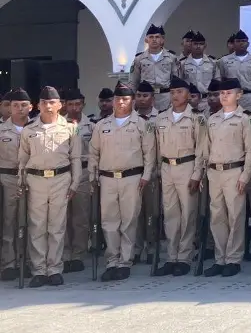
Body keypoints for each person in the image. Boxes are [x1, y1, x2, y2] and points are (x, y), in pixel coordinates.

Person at [89, 82, 157, 282]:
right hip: (107, 178)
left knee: (129, 221)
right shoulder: (102, 125)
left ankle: (125, 261)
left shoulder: (142, 124)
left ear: (132, 101)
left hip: (132, 177)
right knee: (109, 222)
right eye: (118, 99)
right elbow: (93, 153)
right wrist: (93, 176)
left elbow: (149, 153)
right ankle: (112, 261)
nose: (121, 102)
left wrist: (146, 175)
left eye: (125, 99)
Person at [18, 86, 82, 287]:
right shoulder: (29, 129)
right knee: (37, 226)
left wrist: (75, 183)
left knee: (57, 227)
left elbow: (76, 158)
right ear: (38, 105)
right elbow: (23, 159)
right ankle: (39, 270)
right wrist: (21, 181)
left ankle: (54, 269)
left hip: (60, 179)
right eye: (44, 102)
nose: (48, 106)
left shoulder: (71, 128)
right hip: (35, 179)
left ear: (60, 105)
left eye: (52, 102)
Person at [152, 76, 209, 277]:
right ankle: (171, 256)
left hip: (187, 166)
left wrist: (197, 174)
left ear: (188, 94)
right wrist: (158, 171)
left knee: (188, 214)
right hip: (167, 167)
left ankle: (184, 257)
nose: (175, 96)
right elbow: (156, 148)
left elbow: (201, 149)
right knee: (170, 215)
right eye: (172, 92)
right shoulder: (161, 118)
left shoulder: (196, 118)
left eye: (180, 92)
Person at [201, 77, 251, 277]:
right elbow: (205, 149)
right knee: (217, 217)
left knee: (235, 216)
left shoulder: (245, 119)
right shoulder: (212, 120)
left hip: (235, 171)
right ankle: (220, 258)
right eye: (222, 93)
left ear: (238, 95)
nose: (224, 96)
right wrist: (203, 173)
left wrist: (245, 175)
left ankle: (233, 258)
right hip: (215, 172)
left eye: (229, 93)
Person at [0, 89, 30, 281]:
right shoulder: (1, 130)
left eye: (23, 105)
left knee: (29, 221)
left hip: (30, 178)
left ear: (31, 107)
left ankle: (26, 260)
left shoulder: (36, 128)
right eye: (15, 105)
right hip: (7, 178)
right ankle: (9, 263)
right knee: (8, 221)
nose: (20, 109)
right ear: (9, 108)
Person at [60, 89, 92, 272]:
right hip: (65, 173)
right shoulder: (59, 125)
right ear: (65, 105)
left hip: (85, 172)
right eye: (71, 104)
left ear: (83, 104)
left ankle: (78, 254)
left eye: (78, 104)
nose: (74, 108)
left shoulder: (92, 126)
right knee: (62, 217)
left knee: (81, 216)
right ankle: (64, 255)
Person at [130, 24, 180, 112]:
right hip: (145, 98)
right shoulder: (139, 59)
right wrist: (133, 100)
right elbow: (134, 81)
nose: (154, 39)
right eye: (151, 37)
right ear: (146, 40)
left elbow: (176, 80)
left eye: (157, 37)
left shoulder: (171, 57)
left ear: (162, 39)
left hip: (166, 97)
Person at [217, 30, 251, 114]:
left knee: (249, 121)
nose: (241, 43)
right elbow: (222, 80)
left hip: (250, 99)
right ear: (234, 43)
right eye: (238, 41)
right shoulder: (224, 60)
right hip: (231, 98)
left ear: (248, 44)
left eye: (243, 41)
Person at [181, 32, 218, 101]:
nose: (198, 46)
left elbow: (217, 82)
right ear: (191, 45)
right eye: (195, 44)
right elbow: (180, 83)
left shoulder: (212, 62)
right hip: (189, 99)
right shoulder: (183, 63)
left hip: (207, 99)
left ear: (205, 46)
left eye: (201, 44)